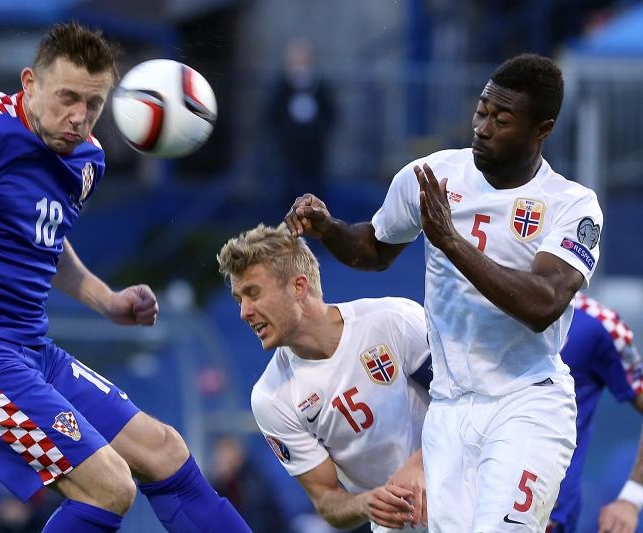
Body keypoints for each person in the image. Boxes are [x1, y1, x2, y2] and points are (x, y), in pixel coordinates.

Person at [0, 21, 250, 533]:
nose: (79, 117)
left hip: (30, 350)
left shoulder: (86, 159)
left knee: (165, 452)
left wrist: (105, 299)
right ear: (30, 83)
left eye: (93, 104)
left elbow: (47, 237)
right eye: (67, 97)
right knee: (109, 487)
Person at [285, 53, 603, 531]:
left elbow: (543, 303)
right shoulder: (433, 177)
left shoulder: (573, 205)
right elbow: (374, 249)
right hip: (449, 411)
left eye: (502, 118)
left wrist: (450, 241)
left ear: (543, 128)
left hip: (526, 404)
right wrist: (329, 229)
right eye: (481, 111)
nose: (483, 127)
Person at [217, 223, 432, 532]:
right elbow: (326, 499)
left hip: (474, 497)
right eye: (239, 300)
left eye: (253, 293)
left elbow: (468, 398)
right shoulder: (271, 397)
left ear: (298, 286)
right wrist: (365, 502)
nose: (244, 312)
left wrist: (419, 464)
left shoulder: (392, 321)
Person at [549, 292, 643, 533]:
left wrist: (632, 497)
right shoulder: (466, 304)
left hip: (548, 512)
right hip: (459, 493)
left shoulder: (599, 324)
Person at [267, 38, 336, 210]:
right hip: (290, 145)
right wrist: (283, 133)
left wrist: (319, 130)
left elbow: (330, 112)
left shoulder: (319, 83)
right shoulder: (283, 84)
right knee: (290, 186)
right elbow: (272, 113)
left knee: (315, 186)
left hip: (314, 145)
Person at [209, 435, 289, 533]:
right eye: (219, 460)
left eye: (225, 460)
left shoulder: (254, 482)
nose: (221, 465)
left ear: (237, 459)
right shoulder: (218, 487)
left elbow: (260, 520)